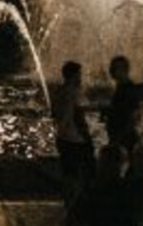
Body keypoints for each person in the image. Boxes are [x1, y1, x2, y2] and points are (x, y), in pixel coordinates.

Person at [49, 60, 93, 221]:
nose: (81, 77)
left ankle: (68, 205)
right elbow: (77, 116)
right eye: (79, 74)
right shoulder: (74, 92)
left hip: (61, 137)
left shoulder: (58, 92)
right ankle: (75, 208)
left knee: (67, 174)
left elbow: (54, 114)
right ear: (73, 75)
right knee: (78, 175)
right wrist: (87, 136)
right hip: (76, 139)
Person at [104, 55, 141, 152]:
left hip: (123, 137)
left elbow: (132, 114)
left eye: (115, 68)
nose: (111, 71)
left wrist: (119, 138)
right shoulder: (121, 88)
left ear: (125, 70)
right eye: (112, 68)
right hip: (119, 135)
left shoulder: (128, 89)